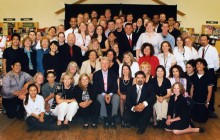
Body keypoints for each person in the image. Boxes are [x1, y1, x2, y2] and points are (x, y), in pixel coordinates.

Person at [93, 57, 119, 129]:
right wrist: (104, 94)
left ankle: (113, 118)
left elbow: (115, 87)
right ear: (100, 64)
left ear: (109, 64)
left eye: (106, 63)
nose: (104, 65)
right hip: (101, 93)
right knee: (100, 97)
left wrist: (110, 95)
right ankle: (105, 119)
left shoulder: (113, 74)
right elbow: (96, 87)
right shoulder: (96, 74)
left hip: (111, 93)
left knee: (116, 97)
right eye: (103, 63)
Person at [198, 34, 219, 118]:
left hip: (210, 71)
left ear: (208, 40)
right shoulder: (200, 49)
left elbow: (216, 62)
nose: (202, 41)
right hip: (202, 71)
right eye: (201, 40)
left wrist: (212, 71)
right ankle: (203, 108)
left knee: (211, 91)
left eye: (204, 40)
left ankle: (211, 110)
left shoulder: (213, 49)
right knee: (203, 90)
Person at [190, 58, 213, 123]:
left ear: (204, 66)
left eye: (201, 64)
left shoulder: (208, 76)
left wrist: (207, 102)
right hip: (195, 101)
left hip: (204, 102)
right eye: (197, 64)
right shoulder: (193, 76)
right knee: (194, 119)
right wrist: (191, 99)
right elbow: (192, 88)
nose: (199, 65)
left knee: (202, 120)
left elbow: (210, 91)